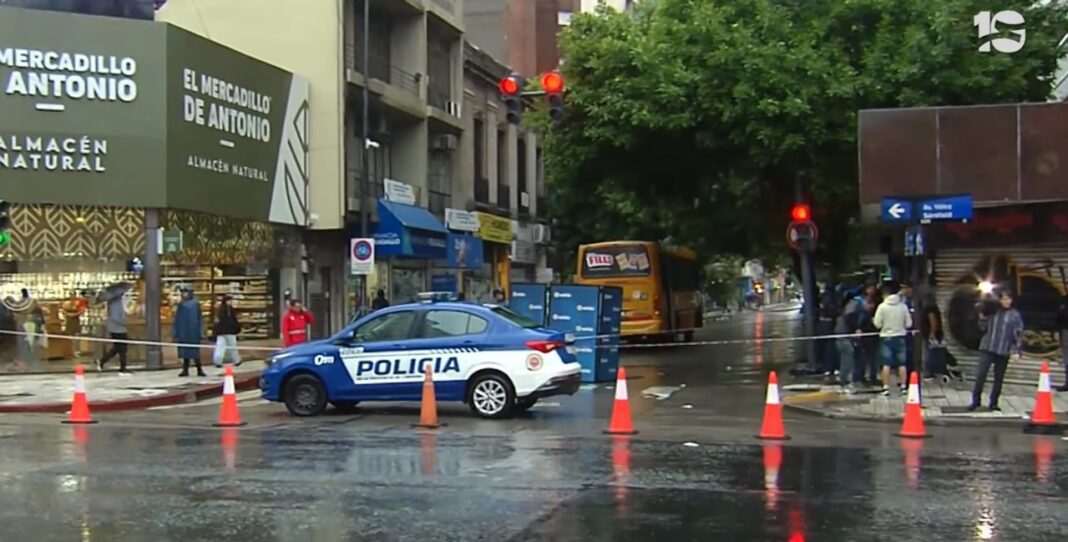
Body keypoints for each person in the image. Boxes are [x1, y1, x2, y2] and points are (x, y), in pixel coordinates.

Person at [969, 289, 1024, 412]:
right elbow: (982, 327)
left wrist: (1017, 350)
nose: (1007, 302)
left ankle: (994, 402)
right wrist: (981, 314)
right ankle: (975, 401)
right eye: (1004, 299)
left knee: (998, 378)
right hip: (988, 347)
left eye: (1009, 299)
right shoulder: (992, 311)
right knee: (981, 375)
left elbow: (1018, 333)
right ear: (999, 300)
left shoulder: (1014, 314)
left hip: (1003, 350)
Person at [873, 282, 912, 396]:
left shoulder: (882, 307)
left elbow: (877, 324)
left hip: (886, 337)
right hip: (900, 337)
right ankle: (903, 387)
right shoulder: (903, 306)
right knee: (902, 364)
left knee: (886, 364)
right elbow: (909, 324)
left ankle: (886, 388)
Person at [96, 282, 133, 375]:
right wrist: (124, 322)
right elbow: (115, 317)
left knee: (118, 347)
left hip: (117, 327)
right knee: (122, 348)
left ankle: (102, 361)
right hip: (117, 327)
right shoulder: (114, 303)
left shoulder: (116, 302)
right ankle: (122, 369)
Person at [174, 287, 206, 377]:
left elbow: (199, 319)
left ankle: (199, 369)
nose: (184, 294)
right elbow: (177, 319)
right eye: (183, 293)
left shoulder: (195, 304)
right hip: (183, 332)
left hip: (192, 332)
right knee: (186, 353)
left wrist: (201, 332)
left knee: (194, 352)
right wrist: (176, 332)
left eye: (186, 292)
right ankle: (185, 369)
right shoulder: (181, 304)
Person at [835, 288, 861, 392]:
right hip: (845, 335)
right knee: (848, 359)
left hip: (840, 335)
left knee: (845, 358)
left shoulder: (844, 307)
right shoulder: (853, 304)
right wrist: (855, 329)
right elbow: (850, 318)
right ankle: (846, 381)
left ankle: (844, 380)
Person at [212, 295, 242, 368]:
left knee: (220, 347)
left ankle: (217, 361)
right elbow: (232, 320)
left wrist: (215, 331)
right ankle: (236, 360)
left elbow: (217, 321)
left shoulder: (219, 309)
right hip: (229, 331)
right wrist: (236, 328)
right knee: (232, 346)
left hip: (220, 332)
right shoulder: (229, 309)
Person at [1055, 295, 1068, 392]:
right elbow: (1059, 316)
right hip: (1065, 330)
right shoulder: (1064, 300)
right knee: (1066, 357)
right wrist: (1057, 330)